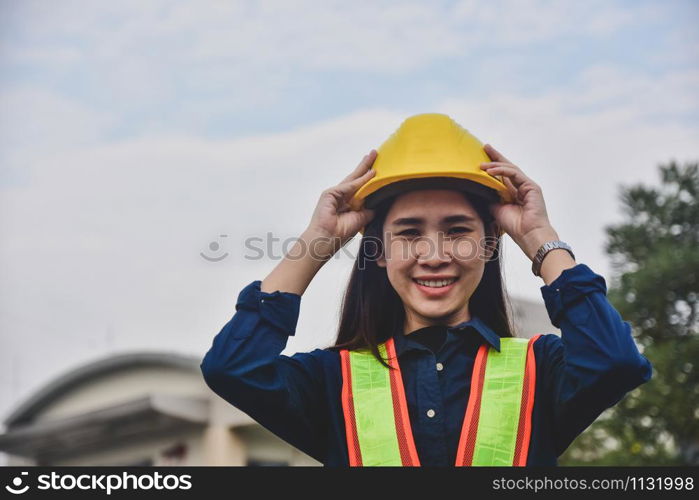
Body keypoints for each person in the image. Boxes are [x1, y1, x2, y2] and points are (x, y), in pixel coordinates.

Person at [200, 113, 652, 466]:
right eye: (409, 233)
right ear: (377, 250)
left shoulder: (542, 369)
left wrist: (538, 236)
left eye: (457, 231)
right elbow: (232, 368)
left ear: (490, 244)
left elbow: (615, 363)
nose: (434, 254)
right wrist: (316, 242)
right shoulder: (330, 382)